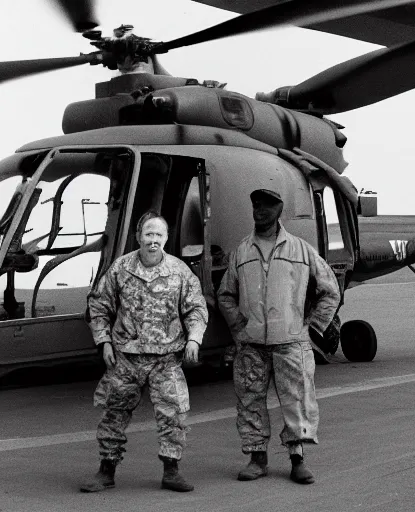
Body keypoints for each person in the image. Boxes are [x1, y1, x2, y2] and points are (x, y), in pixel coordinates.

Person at [217, 187, 341, 484]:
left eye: (267, 206)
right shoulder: (241, 252)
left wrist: (312, 327)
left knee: (296, 401)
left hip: (291, 343)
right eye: (256, 205)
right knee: (250, 402)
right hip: (251, 346)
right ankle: (256, 459)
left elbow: (329, 290)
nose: (260, 210)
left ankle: (297, 459)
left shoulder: (301, 250)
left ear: (279, 210)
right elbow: (225, 294)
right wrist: (239, 327)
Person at [80, 211, 208, 493]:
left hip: (166, 358)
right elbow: (99, 306)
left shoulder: (179, 271)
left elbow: (196, 309)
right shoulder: (120, 268)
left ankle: (171, 471)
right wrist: (103, 342)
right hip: (126, 356)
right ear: (138, 237)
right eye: (148, 234)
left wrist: (194, 340)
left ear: (166, 238)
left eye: (159, 235)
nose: (153, 241)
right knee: (114, 412)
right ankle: (106, 470)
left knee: (173, 414)